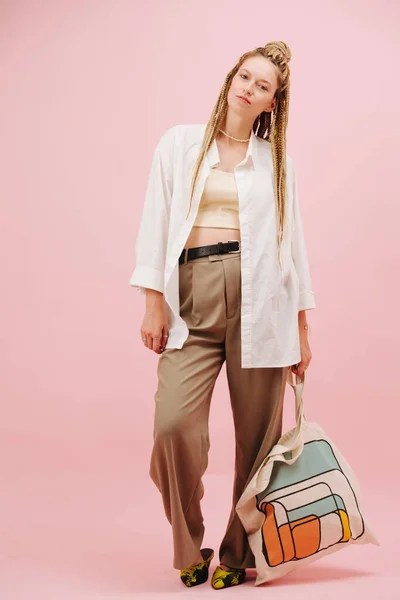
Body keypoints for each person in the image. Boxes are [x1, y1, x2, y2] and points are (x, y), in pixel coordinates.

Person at [129, 40, 316, 589]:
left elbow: (294, 245)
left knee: (259, 442)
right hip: (194, 295)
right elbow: (155, 219)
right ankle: (188, 544)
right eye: (245, 75)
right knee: (173, 427)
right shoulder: (181, 145)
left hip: (265, 305)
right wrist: (152, 301)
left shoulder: (275, 162)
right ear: (231, 77)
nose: (248, 87)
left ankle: (238, 554)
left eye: (263, 86)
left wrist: (302, 331)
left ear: (271, 105)